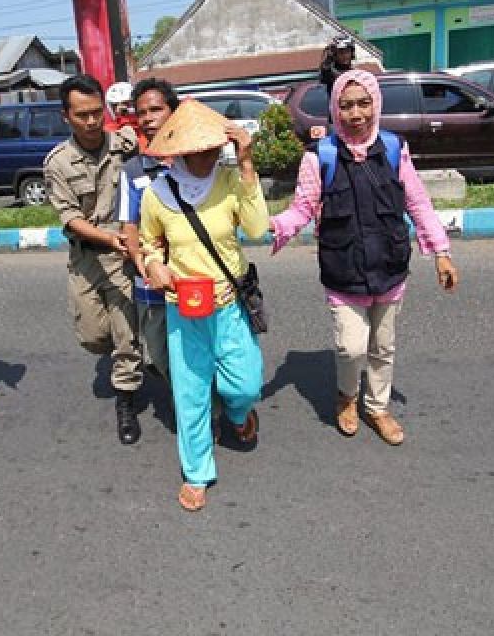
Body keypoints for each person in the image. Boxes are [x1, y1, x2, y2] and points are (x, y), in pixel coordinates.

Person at [270, 69, 458, 444]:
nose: (356, 113)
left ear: (376, 104)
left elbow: (418, 202)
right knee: (350, 346)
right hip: (343, 270)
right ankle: (347, 397)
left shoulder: (392, 149)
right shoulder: (320, 156)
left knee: (383, 346)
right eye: (346, 105)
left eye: (363, 103)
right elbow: (302, 207)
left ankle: (377, 407)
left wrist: (441, 252)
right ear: (335, 109)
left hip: (390, 265)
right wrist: (273, 224)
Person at [138, 99, 269, 512]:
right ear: (178, 150)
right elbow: (148, 245)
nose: (204, 156)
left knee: (244, 384)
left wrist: (247, 165)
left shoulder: (232, 180)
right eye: (195, 149)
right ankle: (197, 472)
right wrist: (154, 266)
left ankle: (236, 415)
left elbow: (258, 228)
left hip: (229, 304)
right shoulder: (158, 194)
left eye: (211, 147)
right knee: (190, 392)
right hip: (184, 308)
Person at [44, 74, 145, 445]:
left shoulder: (125, 144)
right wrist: (108, 238)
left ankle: (126, 399)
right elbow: (69, 217)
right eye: (82, 115)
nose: (91, 121)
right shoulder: (58, 163)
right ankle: (125, 358)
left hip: (123, 259)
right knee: (93, 338)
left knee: (124, 335)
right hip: (87, 258)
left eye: (96, 112)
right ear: (66, 116)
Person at [116, 77, 179, 384]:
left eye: (156, 109)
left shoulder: (195, 161)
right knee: (160, 354)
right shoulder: (132, 171)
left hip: (196, 279)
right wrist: (144, 266)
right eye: (141, 112)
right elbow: (128, 225)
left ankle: (208, 416)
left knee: (201, 353)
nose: (148, 118)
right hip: (151, 286)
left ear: (173, 112)